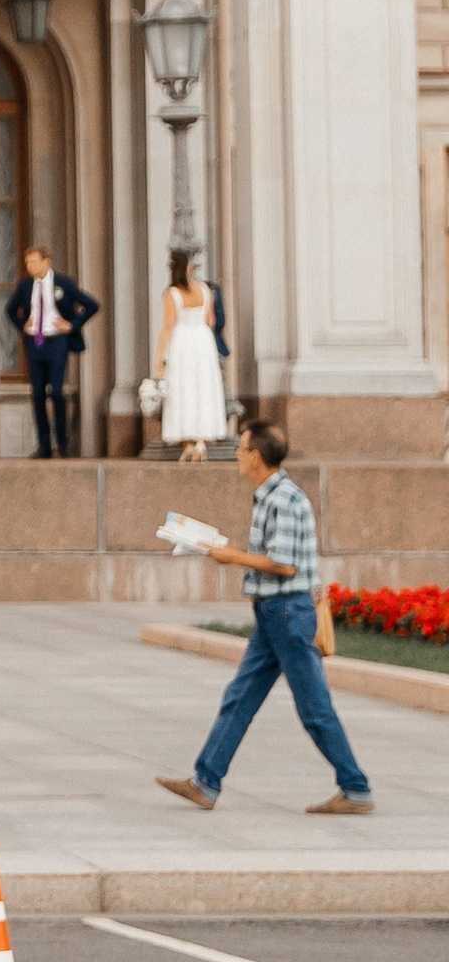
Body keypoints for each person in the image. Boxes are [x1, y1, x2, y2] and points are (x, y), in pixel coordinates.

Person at [156, 420, 374, 817]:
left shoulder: (283, 499)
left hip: (287, 613)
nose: (237, 457)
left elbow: (284, 564)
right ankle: (206, 781)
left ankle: (355, 788)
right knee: (239, 698)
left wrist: (231, 556)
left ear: (256, 456)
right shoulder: (270, 496)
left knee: (314, 708)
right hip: (275, 613)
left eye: (240, 450)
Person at [6, 244, 100, 459]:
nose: (30, 266)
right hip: (35, 342)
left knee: (56, 392)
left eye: (34, 261)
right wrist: (23, 326)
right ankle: (44, 445)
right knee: (38, 393)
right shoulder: (25, 286)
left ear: (46, 262)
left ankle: (63, 443)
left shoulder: (63, 284)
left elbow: (92, 305)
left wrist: (72, 325)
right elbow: (10, 310)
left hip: (57, 341)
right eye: (28, 263)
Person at [154, 245, 228, 462]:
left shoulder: (172, 293)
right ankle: (201, 442)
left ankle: (188, 442)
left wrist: (160, 357)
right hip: (203, 342)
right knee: (203, 388)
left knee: (183, 389)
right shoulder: (205, 290)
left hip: (182, 342)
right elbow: (211, 320)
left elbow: (168, 326)